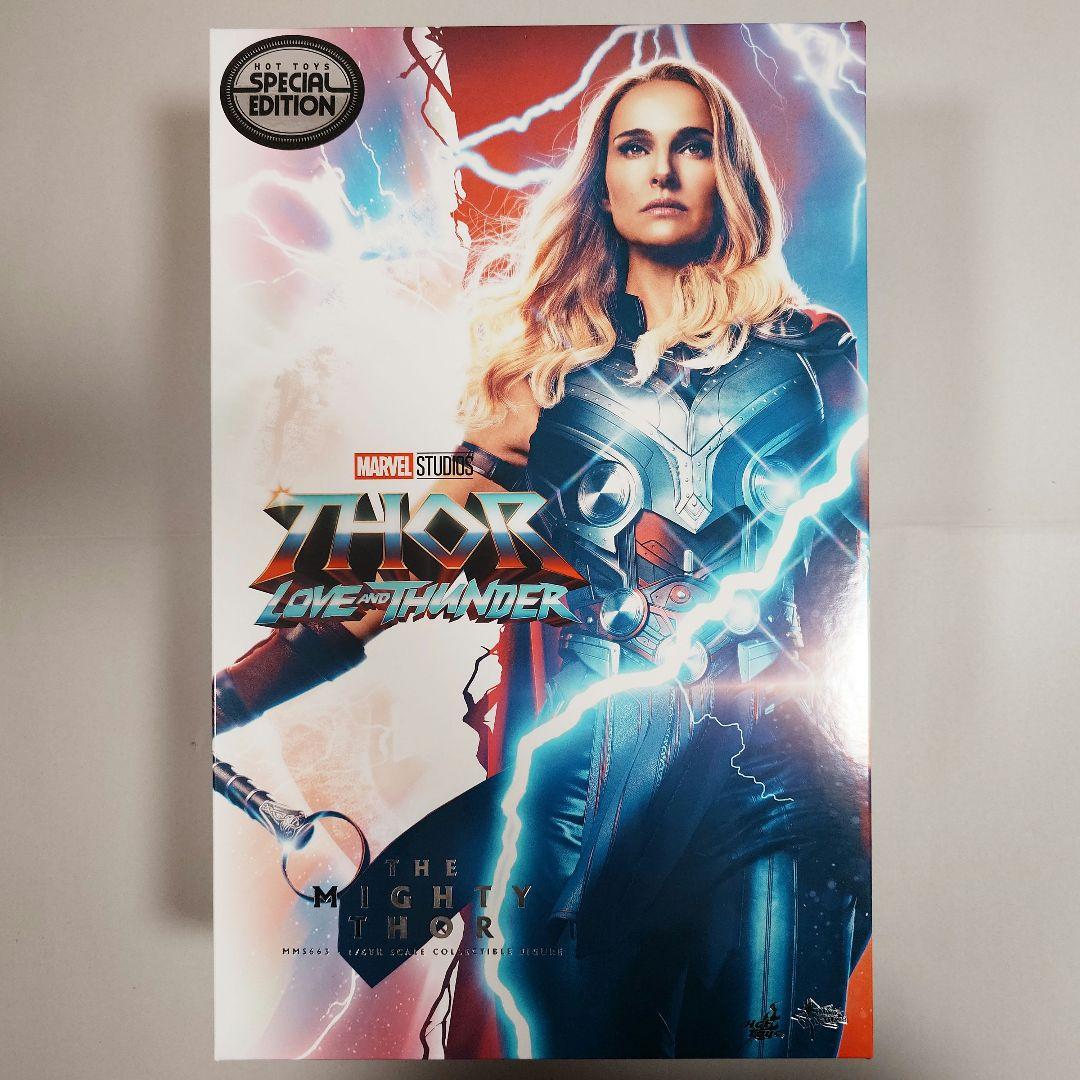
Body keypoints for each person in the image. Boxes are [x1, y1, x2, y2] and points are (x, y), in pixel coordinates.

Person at [214, 59, 870, 1059]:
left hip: (780, 791)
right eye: (635, 146)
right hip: (594, 805)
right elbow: (399, 565)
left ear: (729, 173)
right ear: (603, 181)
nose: (663, 170)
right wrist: (228, 697)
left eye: (692, 146)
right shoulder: (545, 381)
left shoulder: (818, 361)